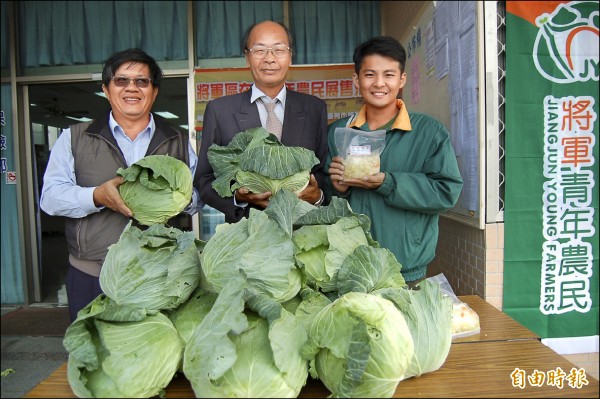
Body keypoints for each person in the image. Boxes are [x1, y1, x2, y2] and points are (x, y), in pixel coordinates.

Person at [40, 48, 201, 321]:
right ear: (106, 88)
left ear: (154, 90)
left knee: (155, 357)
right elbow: (50, 198)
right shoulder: (74, 137)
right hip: (93, 273)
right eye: (121, 80)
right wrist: (96, 196)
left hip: (160, 272)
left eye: (142, 81)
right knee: (95, 356)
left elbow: (199, 197)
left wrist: (181, 199)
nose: (132, 88)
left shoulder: (179, 139)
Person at [325, 36, 463, 287]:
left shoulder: (428, 132)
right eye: (369, 75)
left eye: (388, 75)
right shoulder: (339, 132)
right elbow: (324, 201)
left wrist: (387, 183)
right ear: (356, 80)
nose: (379, 83)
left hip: (405, 268)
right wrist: (339, 189)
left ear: (402, 80)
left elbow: (446, 191)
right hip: (351, 266)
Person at [195, 20, 328, 223]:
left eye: (279, 49)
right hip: (247, 236)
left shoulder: (314, 108)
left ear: (290, 56)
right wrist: (237, 198)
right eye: (259, 50)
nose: (269, 58)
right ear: (247, 57)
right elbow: (204, 180)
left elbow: (322, 172)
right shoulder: (220, 110)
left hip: (303, 233)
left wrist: (317, 197)